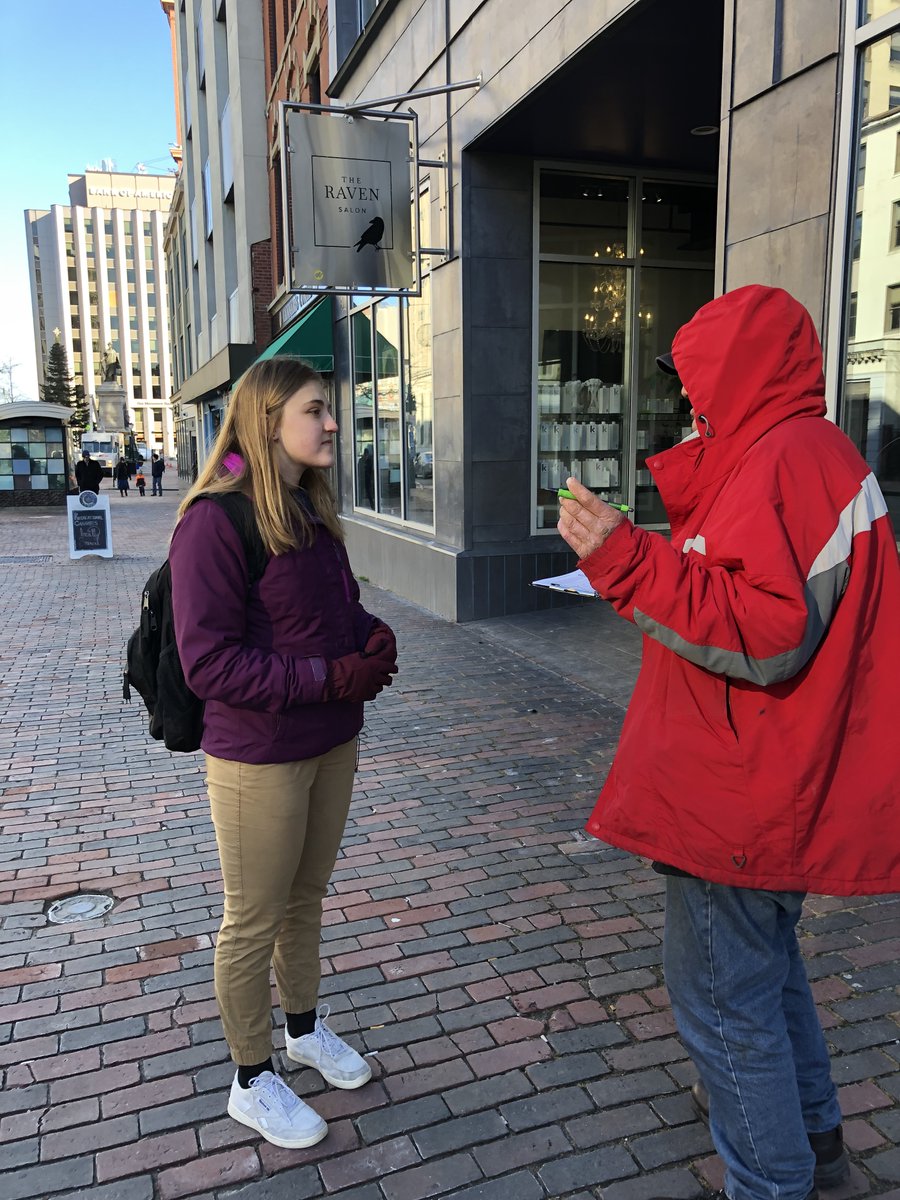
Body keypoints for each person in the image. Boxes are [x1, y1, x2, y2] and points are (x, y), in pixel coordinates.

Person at [557, 284, 900, 1200]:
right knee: (766, 975)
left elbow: (767, 633)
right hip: (764, 777)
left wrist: (625, 558)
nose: (688, 401)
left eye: (698, 381)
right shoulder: (807, 451)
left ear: (737, 373)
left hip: (740, 787)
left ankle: (775, 1181)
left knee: (724, 1004)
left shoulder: (781, 458)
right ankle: (818, 1152)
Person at [169, 357, 398, 1151]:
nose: (332, 423)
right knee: (253, 919)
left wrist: (369, 636)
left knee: (306, 898)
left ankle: (301, 1030)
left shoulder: (308, 506)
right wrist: (332, 673)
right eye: (315, 410)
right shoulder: (216, 519)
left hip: (332, 740)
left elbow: (331, 612)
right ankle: (250, 1077)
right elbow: (208, 663)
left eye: (330, 410)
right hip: (258, 757)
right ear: (269, 420)